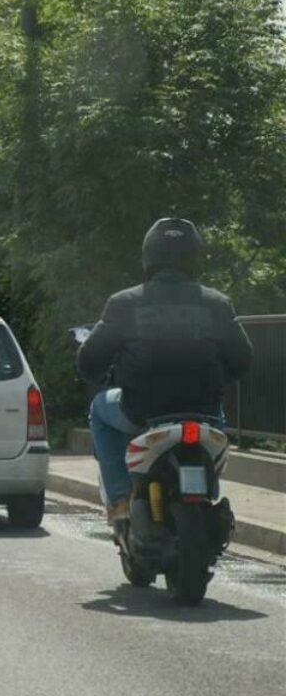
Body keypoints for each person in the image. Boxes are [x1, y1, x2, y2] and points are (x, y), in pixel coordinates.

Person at [76, 217, 252, 527]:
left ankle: (119, 501)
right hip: (204, 411)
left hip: (141, 410)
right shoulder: (218, 303)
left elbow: (89, 361)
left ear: (149, 254)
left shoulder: (124, 303)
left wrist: (100, 374)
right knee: (216, 422)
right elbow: (242, 360)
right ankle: (208, 490)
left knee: (99, 411)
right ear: (194, 256)